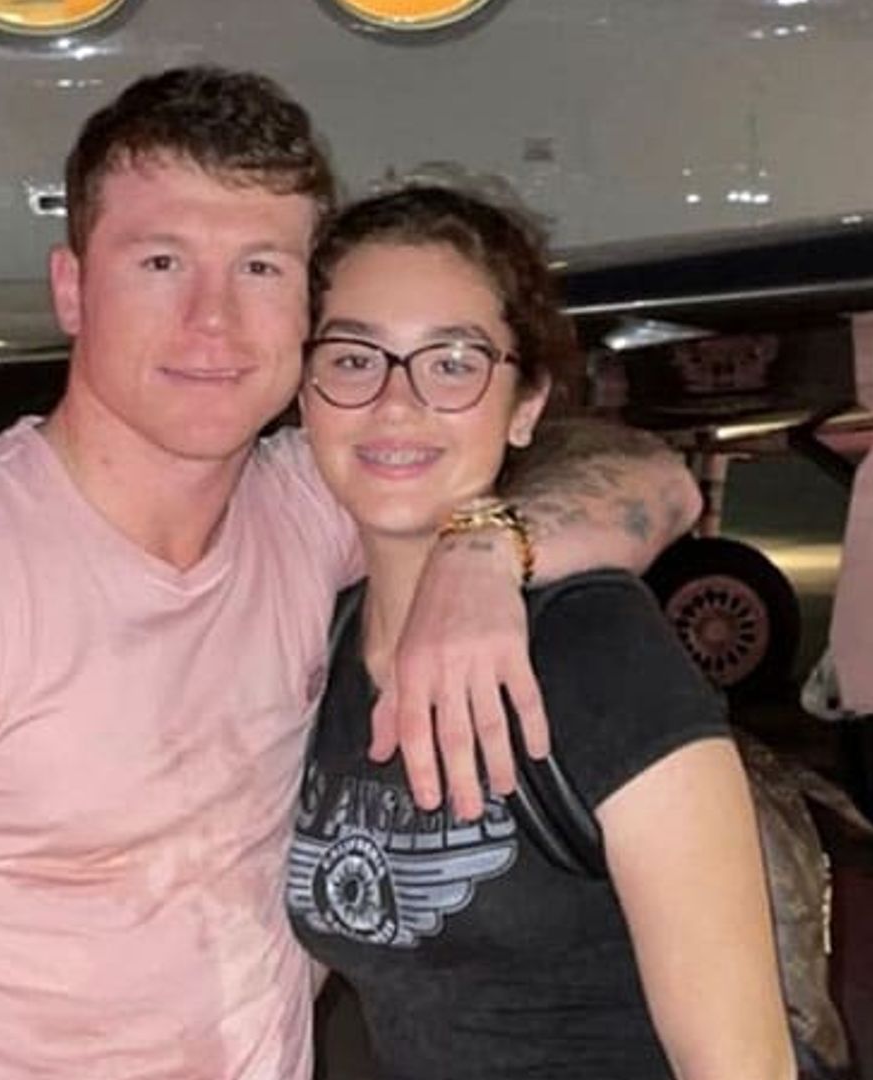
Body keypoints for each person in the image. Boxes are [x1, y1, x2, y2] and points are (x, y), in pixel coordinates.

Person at [0, 68, 698, 1080]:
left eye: (262, 268)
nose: (213, 321)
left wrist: (488, 549)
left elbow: (654, 479)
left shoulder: (308, 509)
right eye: (160, 261)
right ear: (71, 288)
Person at [287, 185, 794, 1079]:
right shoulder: (323, 654)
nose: (395, 403)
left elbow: (740, 1065)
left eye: (452, 363)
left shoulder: (595, 652)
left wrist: (488, 549)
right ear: (305, 392)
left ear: (524, 407)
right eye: (354, 358)